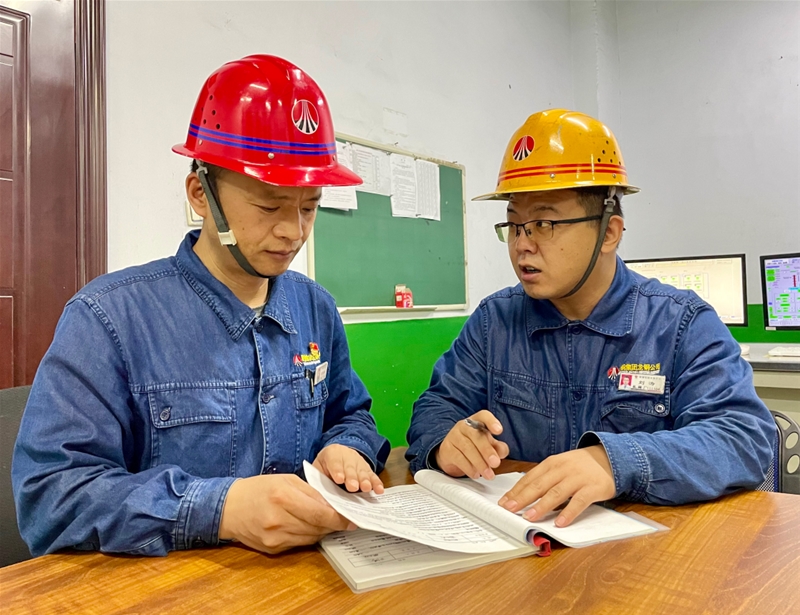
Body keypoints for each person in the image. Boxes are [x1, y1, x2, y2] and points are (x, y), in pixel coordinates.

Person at [12, 55, 390, 557]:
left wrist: (347, 446)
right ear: (200, 194)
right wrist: (219, 509)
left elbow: (352, 415)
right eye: (269, 205)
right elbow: (51, 497)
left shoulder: (315, 308)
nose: (293, 231)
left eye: (309, 206)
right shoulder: (108, 318)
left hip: (310, 578)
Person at [406, 109, 774, 529]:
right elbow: (436, 407)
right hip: (522, 544)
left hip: (647, 552)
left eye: (543, 223)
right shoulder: (495, 322)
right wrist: (445, 443)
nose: (522, 245)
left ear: (609, 233)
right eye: (514, 225)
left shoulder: (681, 324)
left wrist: (615, 462)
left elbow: (742, 439)